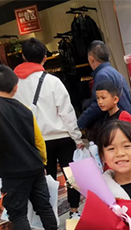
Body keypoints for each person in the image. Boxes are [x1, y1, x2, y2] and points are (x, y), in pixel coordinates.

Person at [0, 65, 67, 230]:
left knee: (17, 212)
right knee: (43, 205)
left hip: (13, 171)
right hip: (35, 166)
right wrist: (42, 161)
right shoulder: (24, 108)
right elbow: (38, 139)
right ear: (15, 87)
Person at [14, 38, 83, 220]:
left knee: (45, 180)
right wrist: (77, 138)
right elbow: (66, 112)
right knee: (71, 175)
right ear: (45, 57)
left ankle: (49, 216)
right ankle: (74, 211)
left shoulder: (14, 85)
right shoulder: (53, 81)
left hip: (35, 140)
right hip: (62, 137)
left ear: (23, 56)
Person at [78, 41, 131, 132]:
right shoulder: (115, 72)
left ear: (91, 59)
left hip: (117, 125)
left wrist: (79, 124)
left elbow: (98, 105)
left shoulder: (102, 75)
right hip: (125, 122)